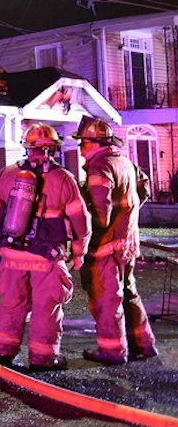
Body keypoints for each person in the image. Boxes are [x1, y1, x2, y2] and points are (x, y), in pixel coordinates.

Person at [0, 123, 91, 372]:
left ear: (27, 148)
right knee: (47, 306)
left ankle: (5, 355)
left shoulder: (7, 174)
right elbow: (80, 220)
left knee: (11, 302)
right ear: (53, 148)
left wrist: (4, 237)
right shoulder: (64, 178)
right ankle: (43, 359)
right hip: (46, 257)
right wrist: (79, 250)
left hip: (11, 254)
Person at [71, 116, 159, 365]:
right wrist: (127, 216)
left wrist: (80, 224)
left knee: (106, 298)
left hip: (107, 246)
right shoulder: (124, 162)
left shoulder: (100, 167)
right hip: (128, 243)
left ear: (94, 143)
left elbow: (100, 213)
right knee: (129, 293)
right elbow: (144, 189)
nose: (80, 149)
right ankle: (143, 345)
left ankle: (113, 351)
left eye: (82, 144)